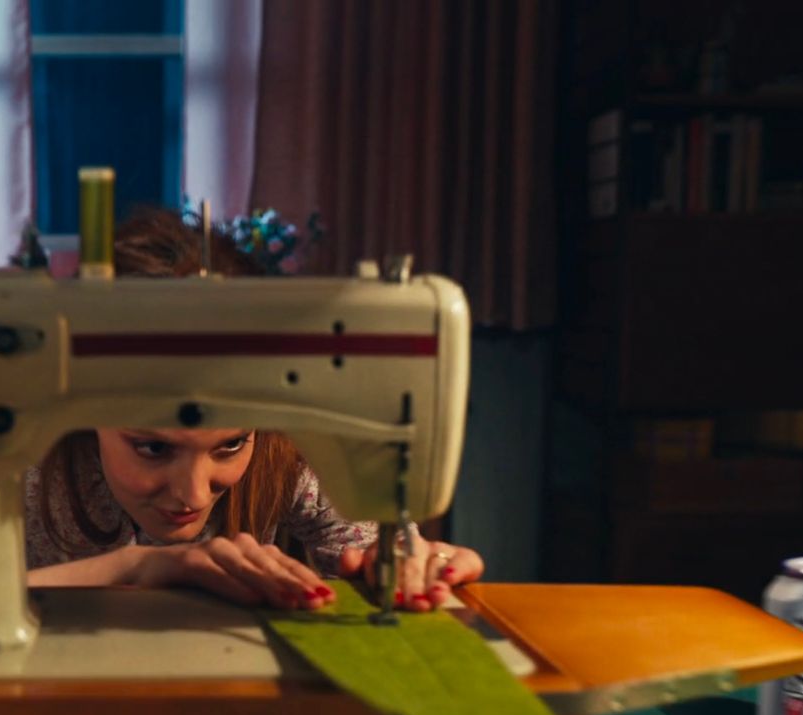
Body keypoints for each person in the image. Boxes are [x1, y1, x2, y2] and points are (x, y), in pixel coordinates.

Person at [24, 209, 484, 612]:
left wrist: (407, 565)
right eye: (153, 447)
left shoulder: (288, 452)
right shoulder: (24, 457)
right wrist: (137, 565)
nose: (195, 495)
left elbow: (363, 553)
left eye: (229, 444)